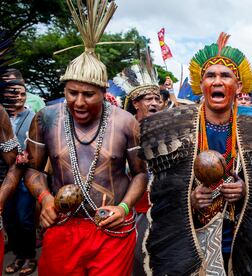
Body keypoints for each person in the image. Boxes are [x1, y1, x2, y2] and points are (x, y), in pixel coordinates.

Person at [140, 32, 252, 275]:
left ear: (237, 86)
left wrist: (245, 190)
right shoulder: (175, 128)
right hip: (193, 238)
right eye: (210, 76)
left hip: (244, 237)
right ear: (201, 84)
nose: (217, 81)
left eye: (225, 75)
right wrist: (190, 201)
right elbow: (162, 188)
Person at [23, 1, 147, 275]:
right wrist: (44, 198)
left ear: (104, 92)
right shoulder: (45, 118)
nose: (78, 102)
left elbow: (140, 174)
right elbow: (32, 169)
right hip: (63, 226)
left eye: (88, 94)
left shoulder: (126, 122)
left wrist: (124, 207)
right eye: (71, 92)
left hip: (111, 230)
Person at [113, 58, 161, 276]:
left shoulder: (167, 130)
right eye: (149, 98)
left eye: (157, 98)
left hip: (163, 209)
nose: (155, 103)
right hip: (132, 209)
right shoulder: (122, 130)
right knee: (136, 262)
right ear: (136, 103)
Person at [1, 78, 37, 275]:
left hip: (24, 176)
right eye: (15, 93)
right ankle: (18, 256)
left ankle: (30, 256)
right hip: (3, 176)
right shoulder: (1, 115)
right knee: (10, 218)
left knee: (24, 218)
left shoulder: (33, 117)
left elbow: (37, 145)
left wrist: (26, 154)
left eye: (23, 94)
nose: (20, 98)